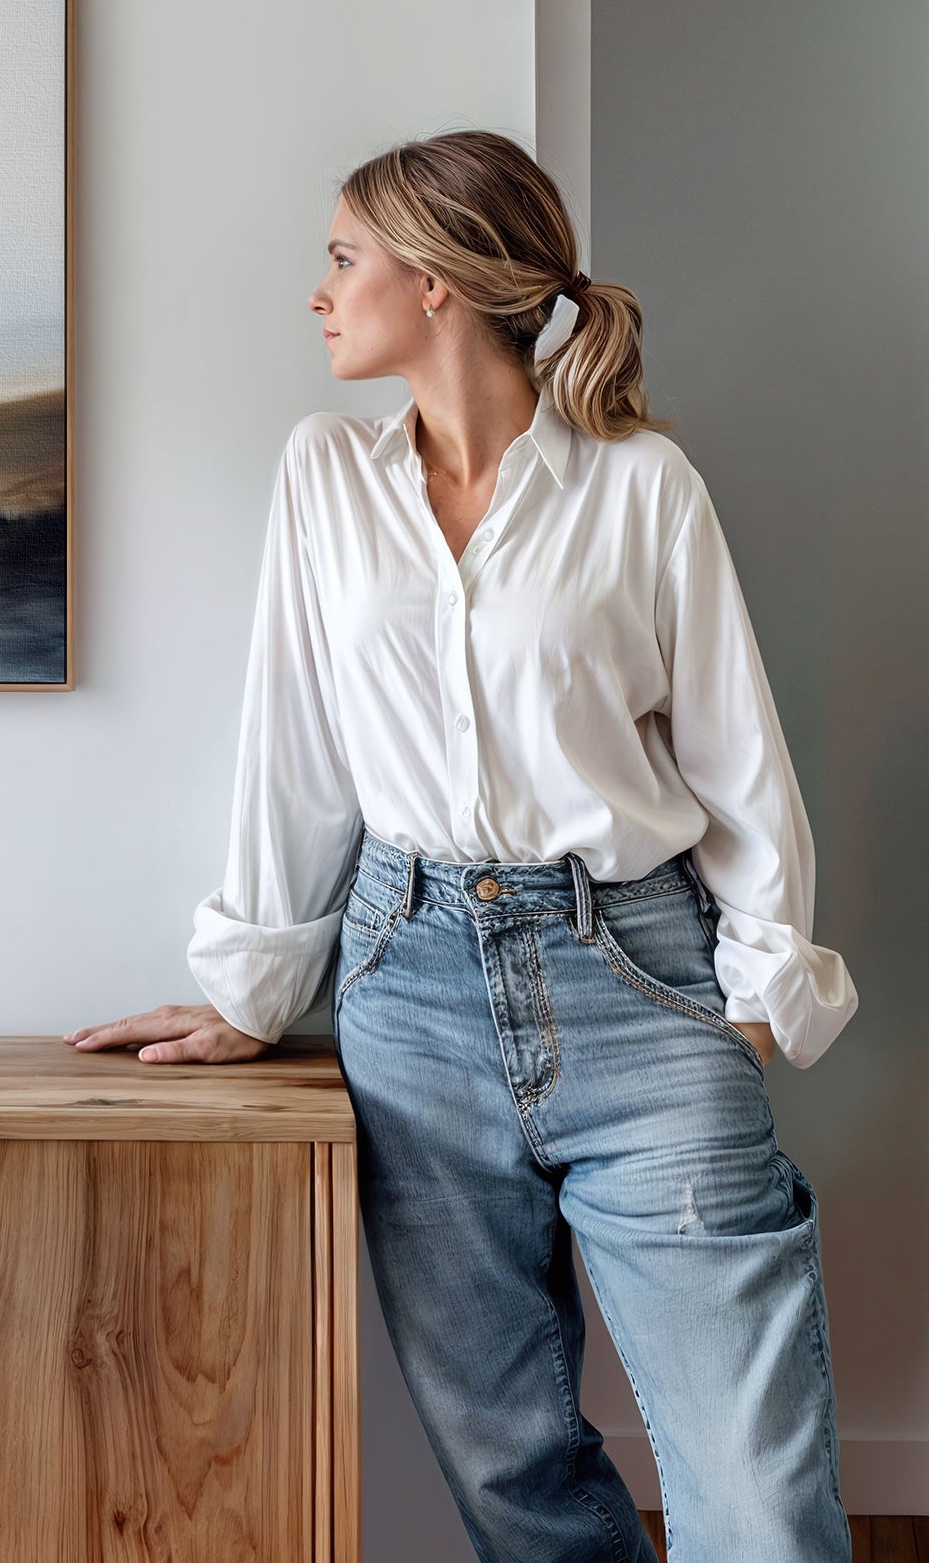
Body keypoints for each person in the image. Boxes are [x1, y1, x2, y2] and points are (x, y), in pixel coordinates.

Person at [65, 131, 858, 1562]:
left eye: (343, 258)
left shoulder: (642, 486)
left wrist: (752, 1002)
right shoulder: (325, 476)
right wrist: (254, 987)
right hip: (410, 991)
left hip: (638, 978)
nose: (319, 293)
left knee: (755, 1492)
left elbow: (738, 757)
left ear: (435, 282)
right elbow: (295, 748)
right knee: (511, 1472)